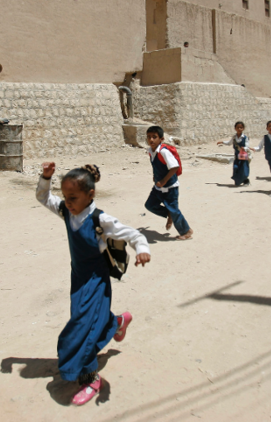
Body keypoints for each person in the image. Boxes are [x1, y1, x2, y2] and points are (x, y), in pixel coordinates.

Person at [36, 163, 151, 405]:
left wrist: (142, 250)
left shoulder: (101, 220)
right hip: (78, 278)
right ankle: (117, 322)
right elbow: (44, 197)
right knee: (86, 322)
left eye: (73, 197)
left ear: (91, 195)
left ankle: (90, 379)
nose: (67, 202)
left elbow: (133, 234)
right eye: (66, 197)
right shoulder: (66, 211)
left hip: (96, 279)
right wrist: (45, 178)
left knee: (82, 329)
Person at [145, 126, 193, 240]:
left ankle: (187, 231)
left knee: (175, 211)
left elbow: (174, 166)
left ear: (161, 139)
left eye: (154, 137)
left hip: (170, 188)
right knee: (149, 205)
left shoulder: (164, 151)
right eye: (149, 137)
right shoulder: (151, 151)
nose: (151, 140)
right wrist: (155, 176)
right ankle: (168, 213)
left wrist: (164, 180)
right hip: (158, 187)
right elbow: (158, 166)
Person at [217, 121, 251, 186]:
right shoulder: (234, 137)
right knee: (236, 168)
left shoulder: (245, 138)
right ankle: (238, 180)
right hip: (237, 156)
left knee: (243, 168)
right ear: (235, 128)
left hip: (243, 155)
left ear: (243, 128)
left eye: (241, 127)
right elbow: (229, 143)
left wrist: (245, 148)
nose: (239, 129)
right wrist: (222, 142)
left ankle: (246, 181)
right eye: (238, 127)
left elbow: (247, 146)